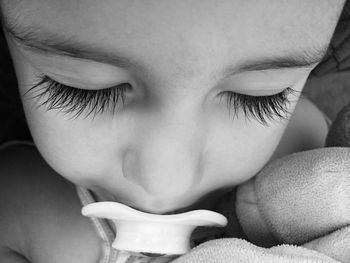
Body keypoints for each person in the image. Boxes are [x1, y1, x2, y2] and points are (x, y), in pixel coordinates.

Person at [0, 0, 346, 262]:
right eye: (85, 89)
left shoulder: (307, 158)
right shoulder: (18, 214)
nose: (164, 182)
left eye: (258, 96)